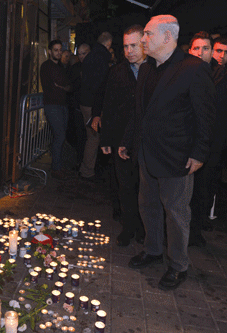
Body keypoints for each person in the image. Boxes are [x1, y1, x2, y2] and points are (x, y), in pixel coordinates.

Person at [119, 15, 215, 290]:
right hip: (147, 154)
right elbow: (140, 112)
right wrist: (128, 140)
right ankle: (153, 250)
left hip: (177, 157)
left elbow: (205, 116)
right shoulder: (148, 69)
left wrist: (199, 153)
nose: (143, 39)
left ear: (166, 37)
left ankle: (178, 265)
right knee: (147, 205)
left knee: (175, 213)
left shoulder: (193, 68)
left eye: (148, 34)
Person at [99, 24, 146, 246]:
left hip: (147, 142)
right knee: (125, 187)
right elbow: (108, 106)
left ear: (145, 44)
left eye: (134, 45)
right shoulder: (117, 71)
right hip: (120, 141)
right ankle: (128, 228)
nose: (129, 51)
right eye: (126, 46)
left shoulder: (155, 69)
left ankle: (146, 230)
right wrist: (106, 139)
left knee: (146, 190)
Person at [188, 32, 227, 247]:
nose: (201, 53)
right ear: (190, 50)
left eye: (206, 49)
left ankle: (196, 230)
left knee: (204, 188)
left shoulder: (219, 74)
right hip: (188, 141)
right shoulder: (183, 72)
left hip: (212, 143)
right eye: (197, 49)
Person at [79, 32, 113, 179]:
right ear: (108, 44)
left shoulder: (91, 57)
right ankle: (87, 171)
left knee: (93, 137)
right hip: (92, 104)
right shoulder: (102, 58)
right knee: (94, 138)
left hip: (86, 102)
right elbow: (100, 87)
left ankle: (88, 169)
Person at [40, 40, 71, 180]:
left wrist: (62, 86)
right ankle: (56, 167)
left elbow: (68, 85)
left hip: (62, 105)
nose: (58, 52)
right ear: (50, 51)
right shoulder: (46, 66)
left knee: (61, 135)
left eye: (60, 50)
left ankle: (58, 164)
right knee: (60, 135)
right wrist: (62, 86)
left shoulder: (61, 67)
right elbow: (57, 85)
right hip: (52, 105)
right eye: (56, 50)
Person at [66, 44, 90, 168]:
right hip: (77, 107)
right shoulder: (75, 68)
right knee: (81, 136)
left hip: (90, 107)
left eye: (84, 53)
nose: (81, 56)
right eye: (79, 54)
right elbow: (70, 86)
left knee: (89, 137)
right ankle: (81, 161)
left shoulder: (94, 67)